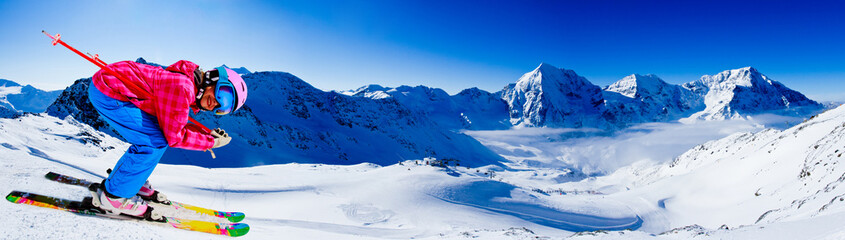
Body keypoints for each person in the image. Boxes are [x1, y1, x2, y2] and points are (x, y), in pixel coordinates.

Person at [87, 60, 247, 218]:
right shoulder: (183, 87)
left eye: (224, 108)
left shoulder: (188, 84)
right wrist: (212, 142)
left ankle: (132, 180)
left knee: (156, 137)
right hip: (108, 91)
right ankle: (114, 198)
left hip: (117, 88)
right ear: (214, 78)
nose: (217, 104)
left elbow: (174, 121)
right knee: (153, 143)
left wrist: (206, 136)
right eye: (223, 95)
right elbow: (176, 137)